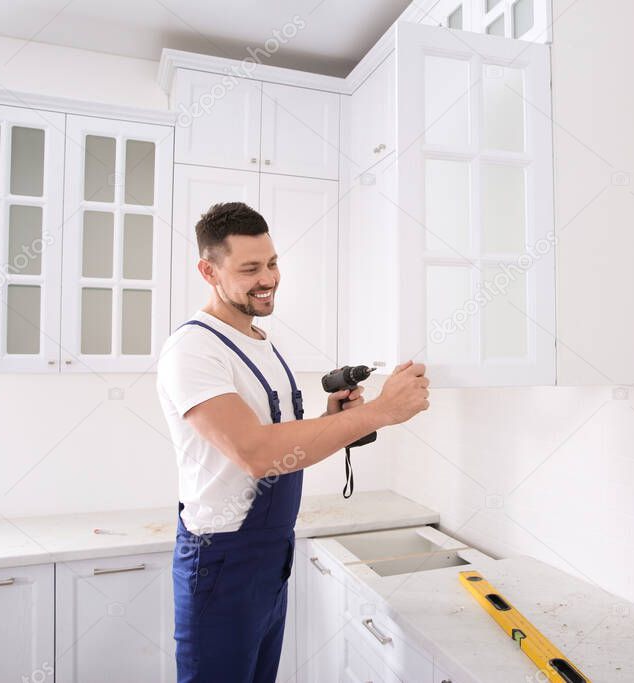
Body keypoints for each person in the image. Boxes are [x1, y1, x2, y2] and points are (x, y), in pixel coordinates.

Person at [156, 202, 430, 682]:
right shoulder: (193, 349)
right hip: (222, 560)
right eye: (250, 269)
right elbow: (258, 454)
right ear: (208, 270)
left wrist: (334, 418)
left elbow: (283, 437)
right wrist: (379, 411)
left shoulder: (258, 339)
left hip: (271, 552)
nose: (268, 278)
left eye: (273, 263)